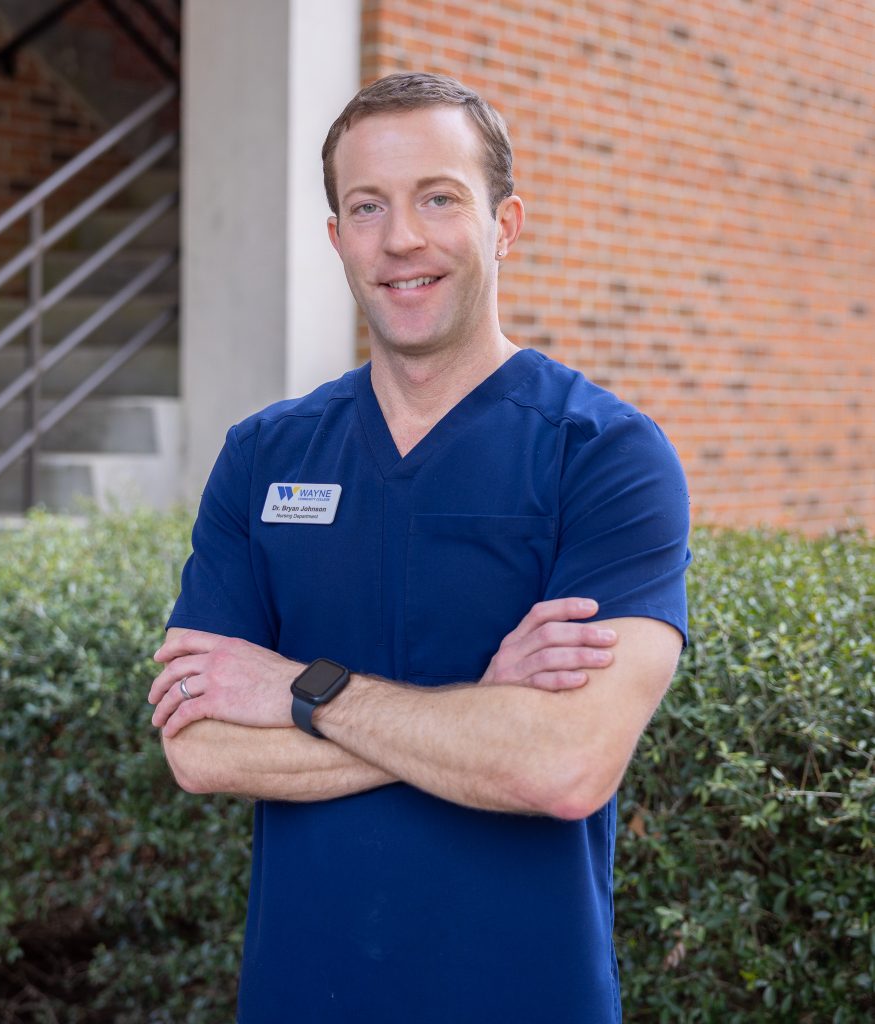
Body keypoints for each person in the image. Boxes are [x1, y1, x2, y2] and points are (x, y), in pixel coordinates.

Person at [148, 72, 691, 1024]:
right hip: (298, 997)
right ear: (336, 239)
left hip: (526, 996)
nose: (401, 238)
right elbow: (199, 748)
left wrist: (293, 691)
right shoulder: (263, 455)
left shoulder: (603, 455)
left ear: (504, 224)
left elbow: (563, 768)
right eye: (368, 207)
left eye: (438, 198)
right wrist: (484, 718)